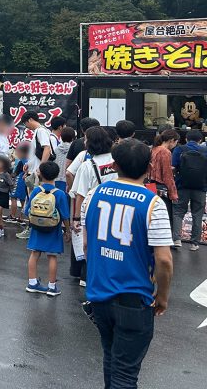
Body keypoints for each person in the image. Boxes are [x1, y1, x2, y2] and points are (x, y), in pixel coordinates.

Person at [82, 139, 173, 389]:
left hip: (99, 294)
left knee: (111, 358)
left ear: (115, 166)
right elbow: (164, 259)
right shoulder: (153, 204)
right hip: (134, 297)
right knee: (125, 373)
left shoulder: (93, 195)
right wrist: (163, 296)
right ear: (149, 167)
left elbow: (87, 245)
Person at [71, 126, 117, 287]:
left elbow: (80, 194)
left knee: (90, 245)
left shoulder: (88, 165)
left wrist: (76, 218)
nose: (84, 142)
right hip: (116, 209)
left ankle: (89, 277)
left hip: (94, 211)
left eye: (86, 139)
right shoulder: (117, 160)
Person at [23, 161, 70, 296]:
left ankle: (32, 283)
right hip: (53, 229)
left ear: (41, 175)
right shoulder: (60, 194)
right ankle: (51, 286)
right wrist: (67, 231)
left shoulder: (36, 190)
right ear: (56, 175)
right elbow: (65, 216)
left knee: (34, 254)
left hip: (37, 227)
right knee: (52, 256)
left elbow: (27, 211)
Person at [171, 128, 207, 251]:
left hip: (182, 186)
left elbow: (173, 167)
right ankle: (194, 243)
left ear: (186, 139)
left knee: (178, 212)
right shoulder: (205, 150)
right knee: (197, 213)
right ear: (200, 140)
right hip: (201, 187)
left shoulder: (179, 149)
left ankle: (176, 239)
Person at [147, 129, 179, 241]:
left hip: (151, 185)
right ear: (171, 140)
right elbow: (167, 175)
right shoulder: (165, 152)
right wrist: (173, 193)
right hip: (162, 187)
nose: (175, 145)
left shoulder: (154, 149)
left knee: (153, 214)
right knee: (165, 216)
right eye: (176, 142)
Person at [8, 142, 29, 226]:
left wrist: (9, 175)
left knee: (13, 198)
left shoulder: (21, 162)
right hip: (26, 182)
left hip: (19, 181)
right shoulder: (29, 161)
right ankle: (21, 217)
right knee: (23, 200)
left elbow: (15, 173)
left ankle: (12, 216)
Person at [54, 126, 76, 193]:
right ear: (73, 138)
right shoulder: (73, 150)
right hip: (68, 180)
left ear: (61, 137)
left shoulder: (56, 149)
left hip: (56, 179)